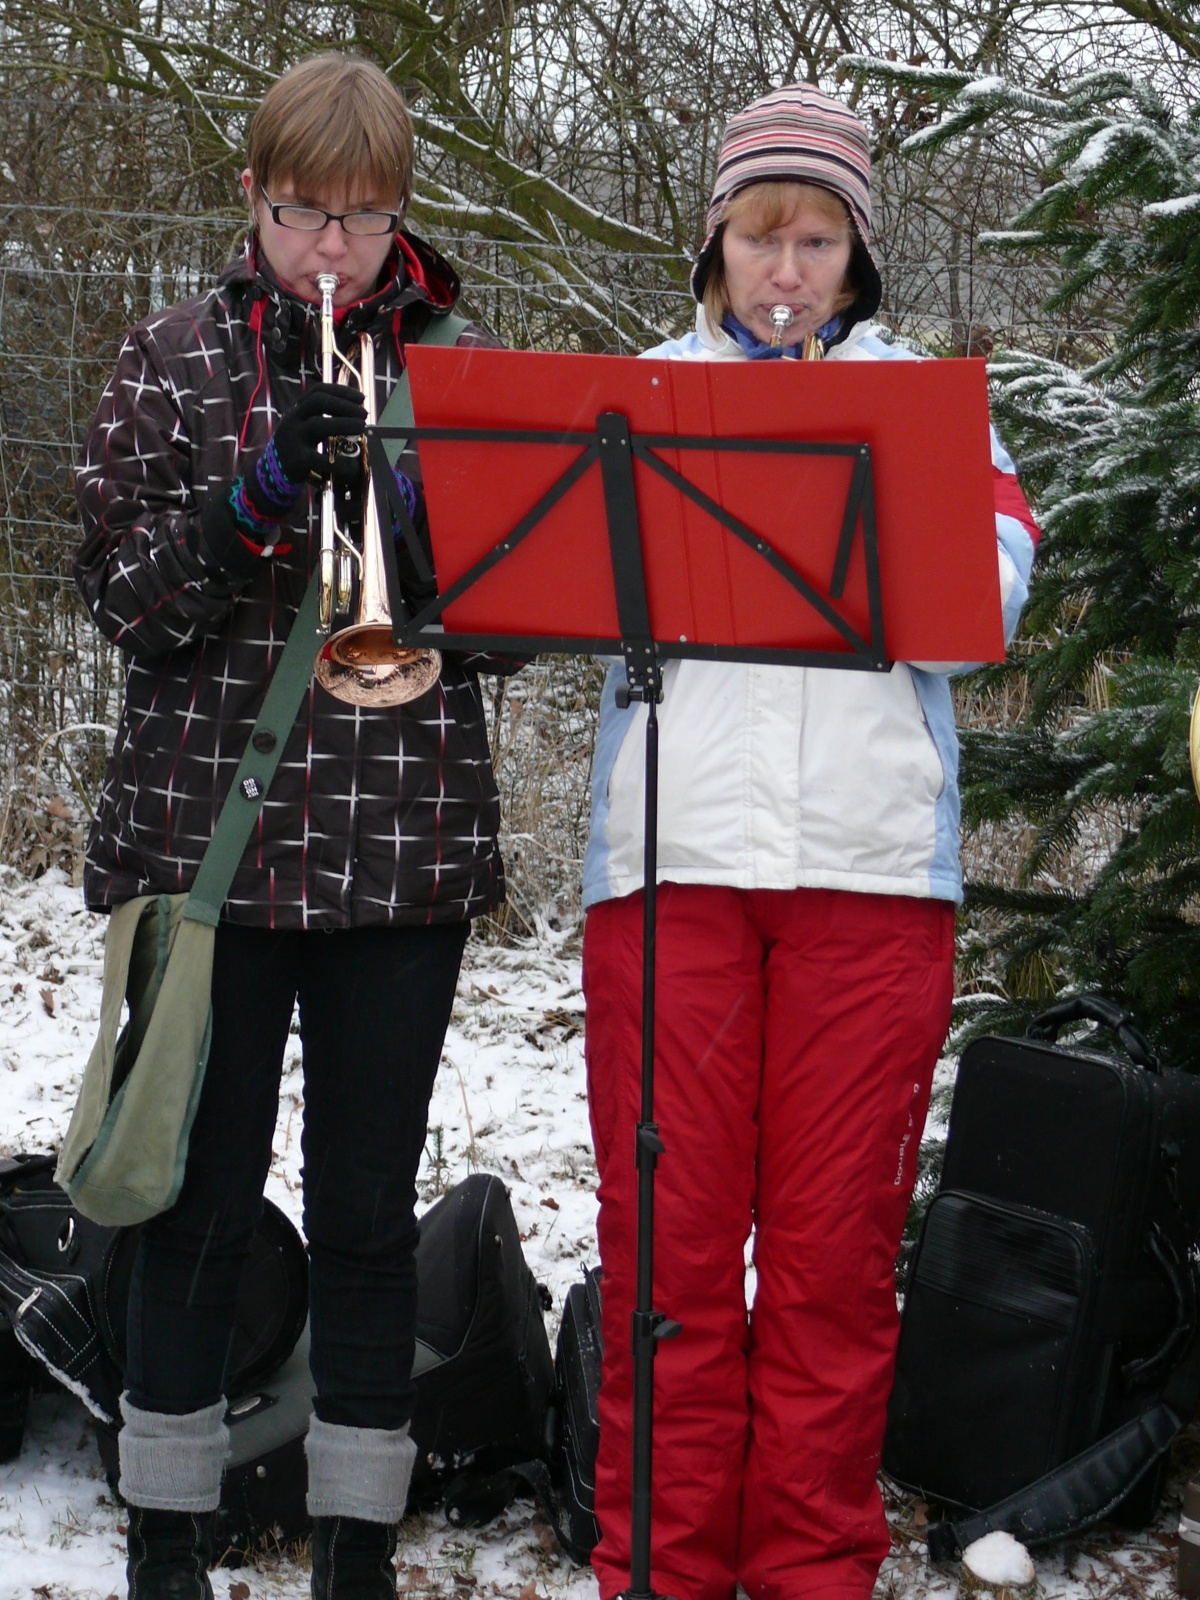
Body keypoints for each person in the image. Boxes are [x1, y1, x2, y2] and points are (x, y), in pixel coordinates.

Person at [580, 84, 1041, 1600]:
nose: (789, 269)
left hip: (870, 878)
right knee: (672, 1267)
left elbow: (988, 612)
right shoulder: (633, 397)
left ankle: (812, 1575)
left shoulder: (930, 403)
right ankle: (658, 1569)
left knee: (836, 1266)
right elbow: (557, 586)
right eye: (764, 235)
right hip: (674, 871)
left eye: (820, 240)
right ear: (714, 240)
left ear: (860, 259)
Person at [74, 53, 511, 1600]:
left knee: (370, 1216)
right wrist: (248, 501)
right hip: (213, 857)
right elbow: (126, 607)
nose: (334, 250)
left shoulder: (457, 369)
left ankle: (355, 1547)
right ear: (251, 201)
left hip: (404, 852)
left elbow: (519, 626)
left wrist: (431, 544)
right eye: (302, 214)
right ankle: (168, 1538)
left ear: (403, 218)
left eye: (366, 218)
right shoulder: (169, 359)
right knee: (197, 1210)